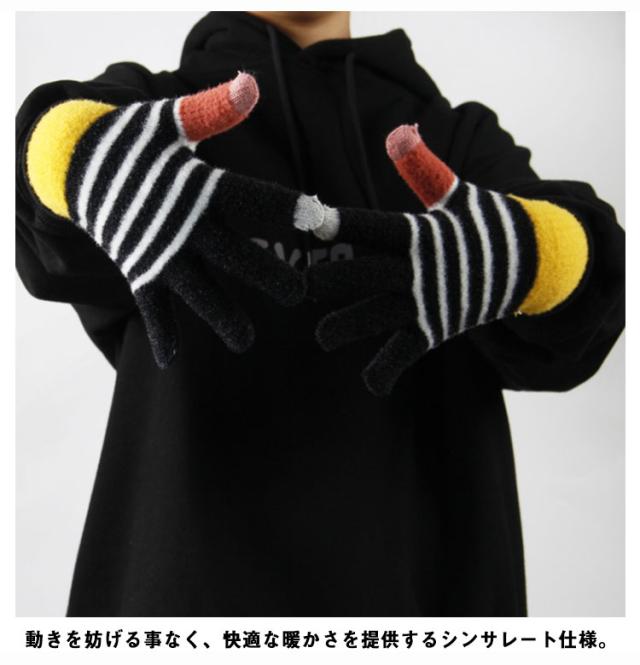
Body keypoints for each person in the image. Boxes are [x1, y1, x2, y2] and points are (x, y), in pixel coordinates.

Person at [15, 11, 625, 617]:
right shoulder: (155, 116)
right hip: (182, 603)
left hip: (425, 596)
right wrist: (76, 154)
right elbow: (37, 208)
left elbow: (590, 300)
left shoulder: (455, 140)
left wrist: (535, 255)